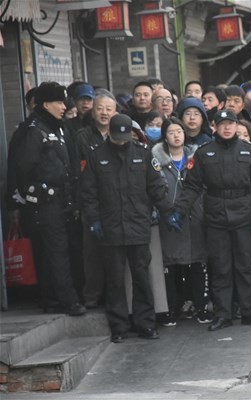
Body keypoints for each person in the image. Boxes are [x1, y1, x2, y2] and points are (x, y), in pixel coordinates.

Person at [170, 109, 251, 331]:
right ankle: (223, 314)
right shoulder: (205, 153)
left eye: (230, 124)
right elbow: (192, 186)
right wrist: (179, 210)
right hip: (216, 215)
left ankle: (249, 311)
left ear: (236, 126)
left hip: (243, 214)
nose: (227, 128)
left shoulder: (249, 151)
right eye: (222, 124)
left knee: (245, 266)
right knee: (220, 267)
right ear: (214, 126)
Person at [80, 114, 171, 342]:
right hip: (110, 227)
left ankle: (146, 324)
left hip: (138, 224)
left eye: (124, 136)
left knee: (141, 277)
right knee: (114, 279)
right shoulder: (96, 156)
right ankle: (119, 327)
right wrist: (94, 220)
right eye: (116, 136)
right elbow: (88, 193)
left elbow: (156, 187)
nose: (121, 141)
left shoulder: (142, 153)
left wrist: (169, 211)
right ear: (109, 132)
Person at [13, 81, 86, 316]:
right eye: (58, 102)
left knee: (62, 250)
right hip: (45, 202)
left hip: (63, 199)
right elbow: (23, 168)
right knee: (57, 252)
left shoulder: (58, 127)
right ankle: (69, 301)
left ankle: (54, 299)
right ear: (45, 104)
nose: (64, 106)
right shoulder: (34, 130)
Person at [152, 118, 211, 326]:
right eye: (171, 132)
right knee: (171, 265)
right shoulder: (156, 160)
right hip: (169, 218)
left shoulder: (196, 158)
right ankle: (171, 308)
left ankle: (201, 307)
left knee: (197, 261)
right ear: (164, 136)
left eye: (179, 131)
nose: (176, 136)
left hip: (195, 217)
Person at [74, 89, 119, 308]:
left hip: (117, 201)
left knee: (116, 254)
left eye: (108, 109)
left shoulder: (121, 134)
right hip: (91, 200)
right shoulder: (82, 136)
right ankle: (92, 295)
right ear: (92, 111)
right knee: (91, 252)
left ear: (116, 111)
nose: (104, 113)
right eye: (99, 108)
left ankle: (115, 296)